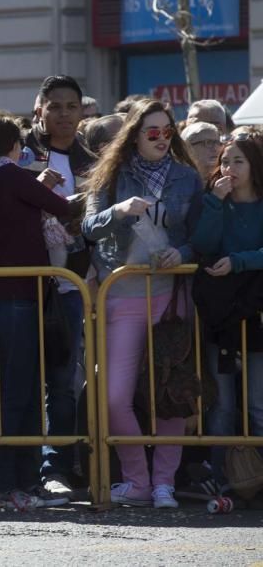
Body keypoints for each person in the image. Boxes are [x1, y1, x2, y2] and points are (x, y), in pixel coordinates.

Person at [82, 98, 202, 509]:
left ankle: (164, 483)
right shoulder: (112, 176)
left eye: (168, 131)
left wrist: (182, 254)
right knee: (115, 397)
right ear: (134, 135)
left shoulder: (187, 179)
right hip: (124, 295)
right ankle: (137, 480)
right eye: (152, 131)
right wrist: (117, 211)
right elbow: (89, 228)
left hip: (172, 298)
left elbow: (199, 237)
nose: (161, 139)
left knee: (170, 393)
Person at [0, 112, 72, 509]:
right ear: (12, 145)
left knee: (12, 392)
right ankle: (11, 484)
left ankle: (19, 483)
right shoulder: (10, 176)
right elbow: (59, 207)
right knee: (20, 394)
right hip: (18, 297)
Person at [23, 74, 97, 498]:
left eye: (72, 106)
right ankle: (18, 469)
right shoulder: (20, 152)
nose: (64, 114)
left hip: (71, 288)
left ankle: (58, 467)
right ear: (41, 109)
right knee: (18, 382)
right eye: (56, 106)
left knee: (63, 383)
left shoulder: (92, 159)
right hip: (20, 283)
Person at [190, 135, 263, 492]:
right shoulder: (215, 200)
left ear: (254, 167)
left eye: (239, 162)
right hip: (221, 316)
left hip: (257, 313)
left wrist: (239, 262)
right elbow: (203, 244)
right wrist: (216, 201)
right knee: (222, 405)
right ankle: (220, 480)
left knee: (259, 404)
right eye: (225, 161)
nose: (229, 169)